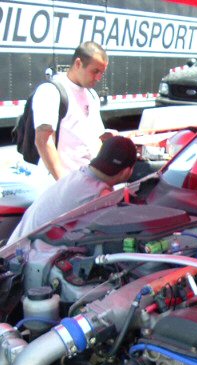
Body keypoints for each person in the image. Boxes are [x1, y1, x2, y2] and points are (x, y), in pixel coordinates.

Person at [8, 137, 137, 244]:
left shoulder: (76, 176)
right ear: (127, 171)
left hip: (12, 251)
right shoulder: (99, 197)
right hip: (31, 260)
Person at [32, 41, 110, 181]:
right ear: (78, 64)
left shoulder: (92, 95)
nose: (98, 78)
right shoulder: (50, 91)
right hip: (61, 183)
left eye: (101, 73)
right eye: (95, 71)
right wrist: (63, 183)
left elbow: (96, 138)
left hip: (85, 180)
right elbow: (43, 140)